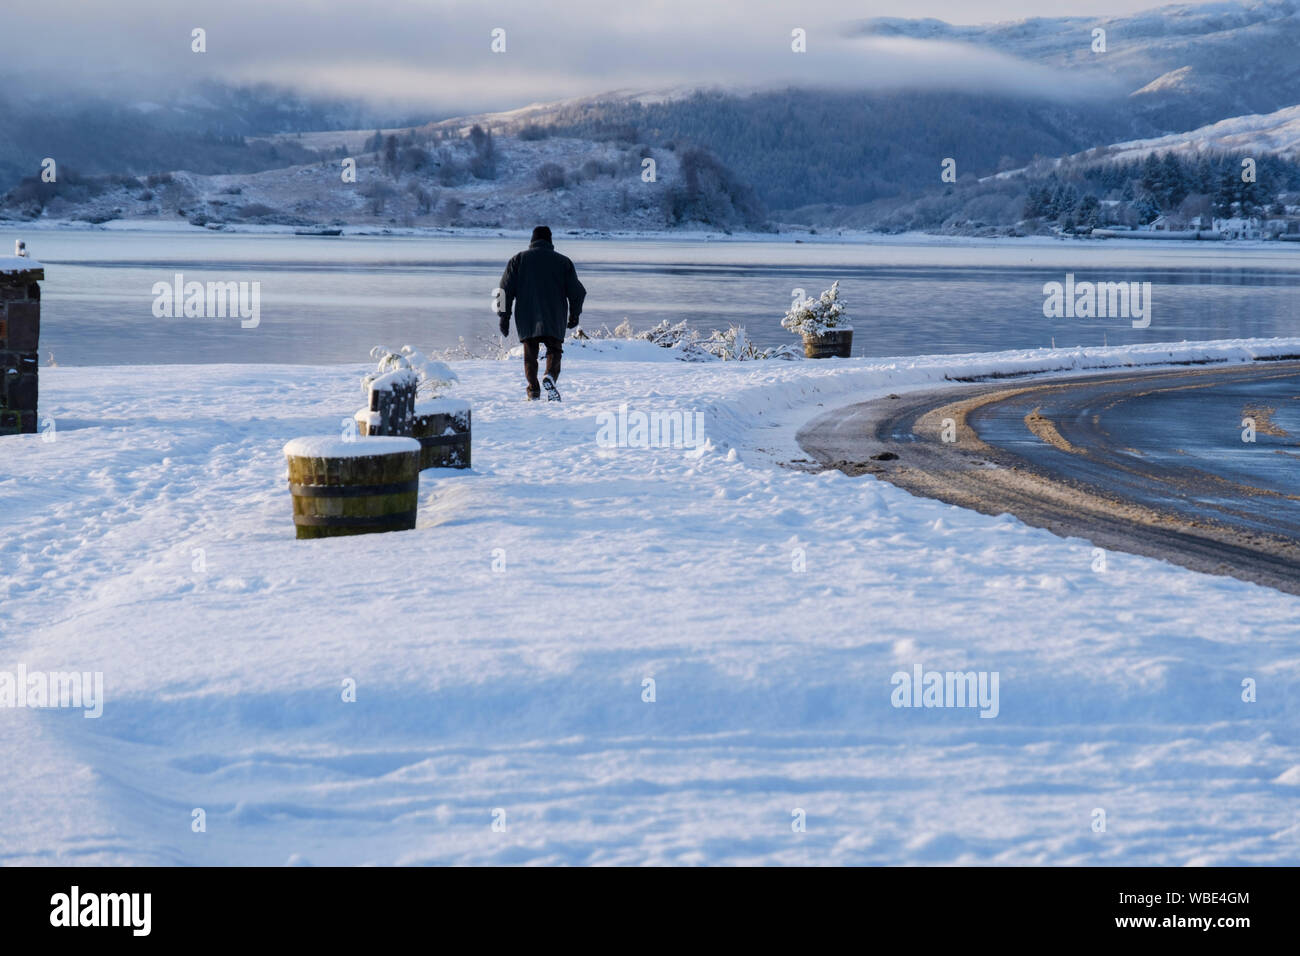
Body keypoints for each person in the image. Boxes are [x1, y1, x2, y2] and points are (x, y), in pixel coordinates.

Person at [497, 225, 586, 401]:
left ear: (532, 240)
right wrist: (575, 315)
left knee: (530, 354)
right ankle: (550, 376)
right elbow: (578, 292)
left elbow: (504, 290)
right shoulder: (563, 262)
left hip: (527, 317)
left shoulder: (518, 260)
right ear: (550, 241)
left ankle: (533, 390)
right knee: (554, 349)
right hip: (554, 316)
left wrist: (504, 317)